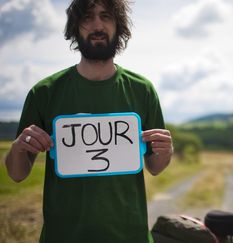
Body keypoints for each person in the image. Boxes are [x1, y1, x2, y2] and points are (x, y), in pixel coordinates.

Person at [4, 0, 173, 242]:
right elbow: (17, 174)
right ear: (75, 27)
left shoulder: (142, 90)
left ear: (118, 26)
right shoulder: (44, 92)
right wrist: (18, 147)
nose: (97, 25)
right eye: (87, 17)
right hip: (63, 236)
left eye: (106, 16)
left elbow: (155, 167)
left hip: (129, 236)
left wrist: (166, 151)